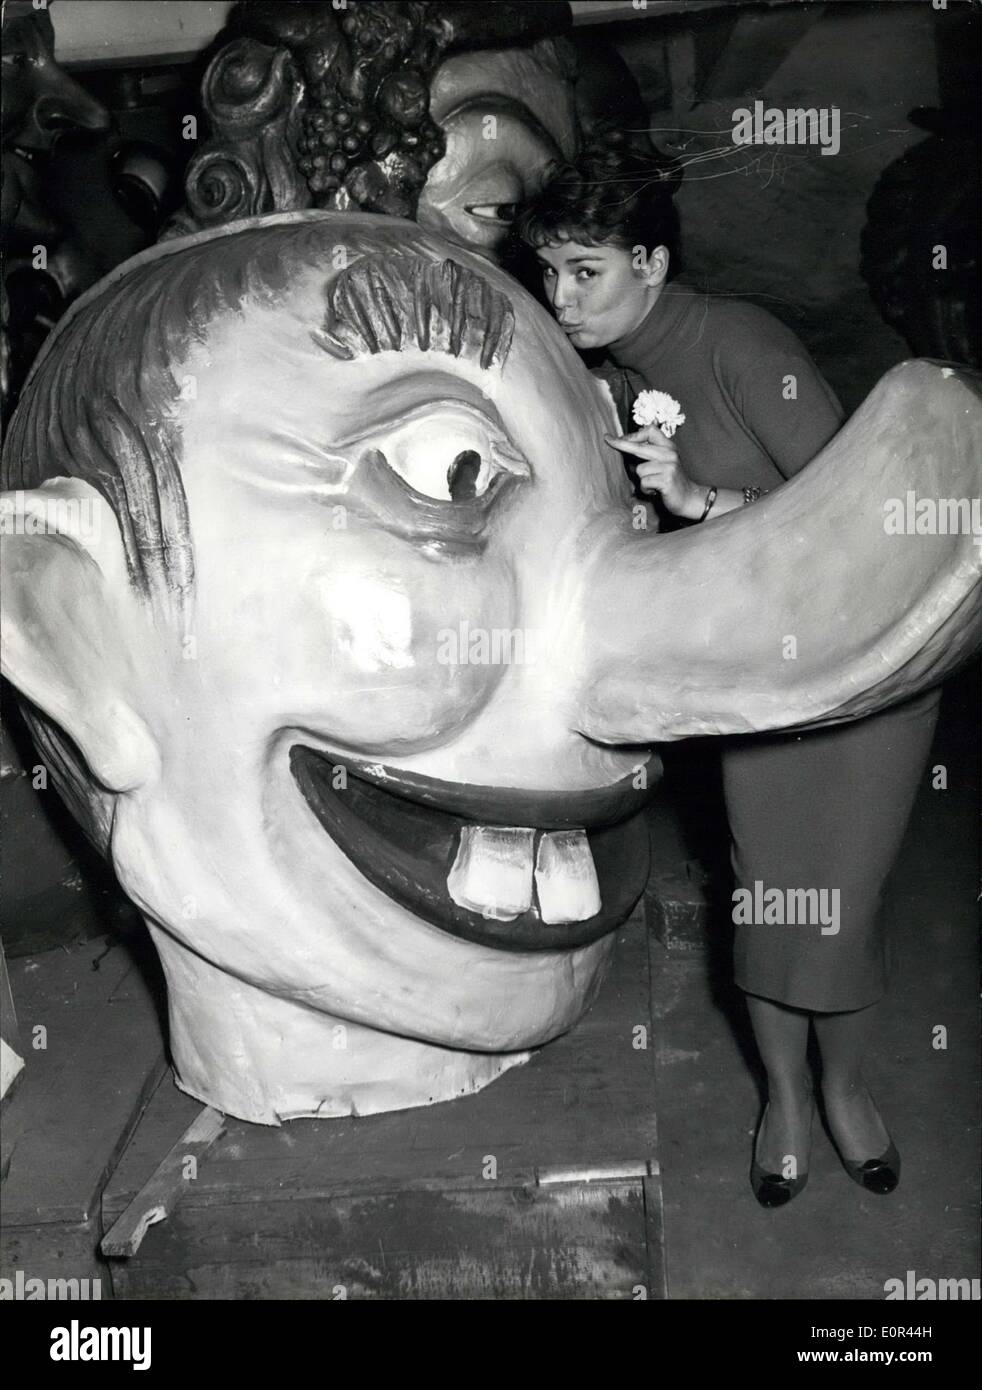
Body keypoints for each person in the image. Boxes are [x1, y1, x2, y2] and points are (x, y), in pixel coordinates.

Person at [515, 148, 941, 1207]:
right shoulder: (606, 378)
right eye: (549, 273)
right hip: (748, 679)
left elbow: (865, 526)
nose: (557, 299)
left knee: (835, 904)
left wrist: (700, 501)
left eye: (584, 272)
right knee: (766, 897)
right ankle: (784, 1100)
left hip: (864, 673)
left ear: (651, 261)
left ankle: (843, 1089)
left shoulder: (744, 345)